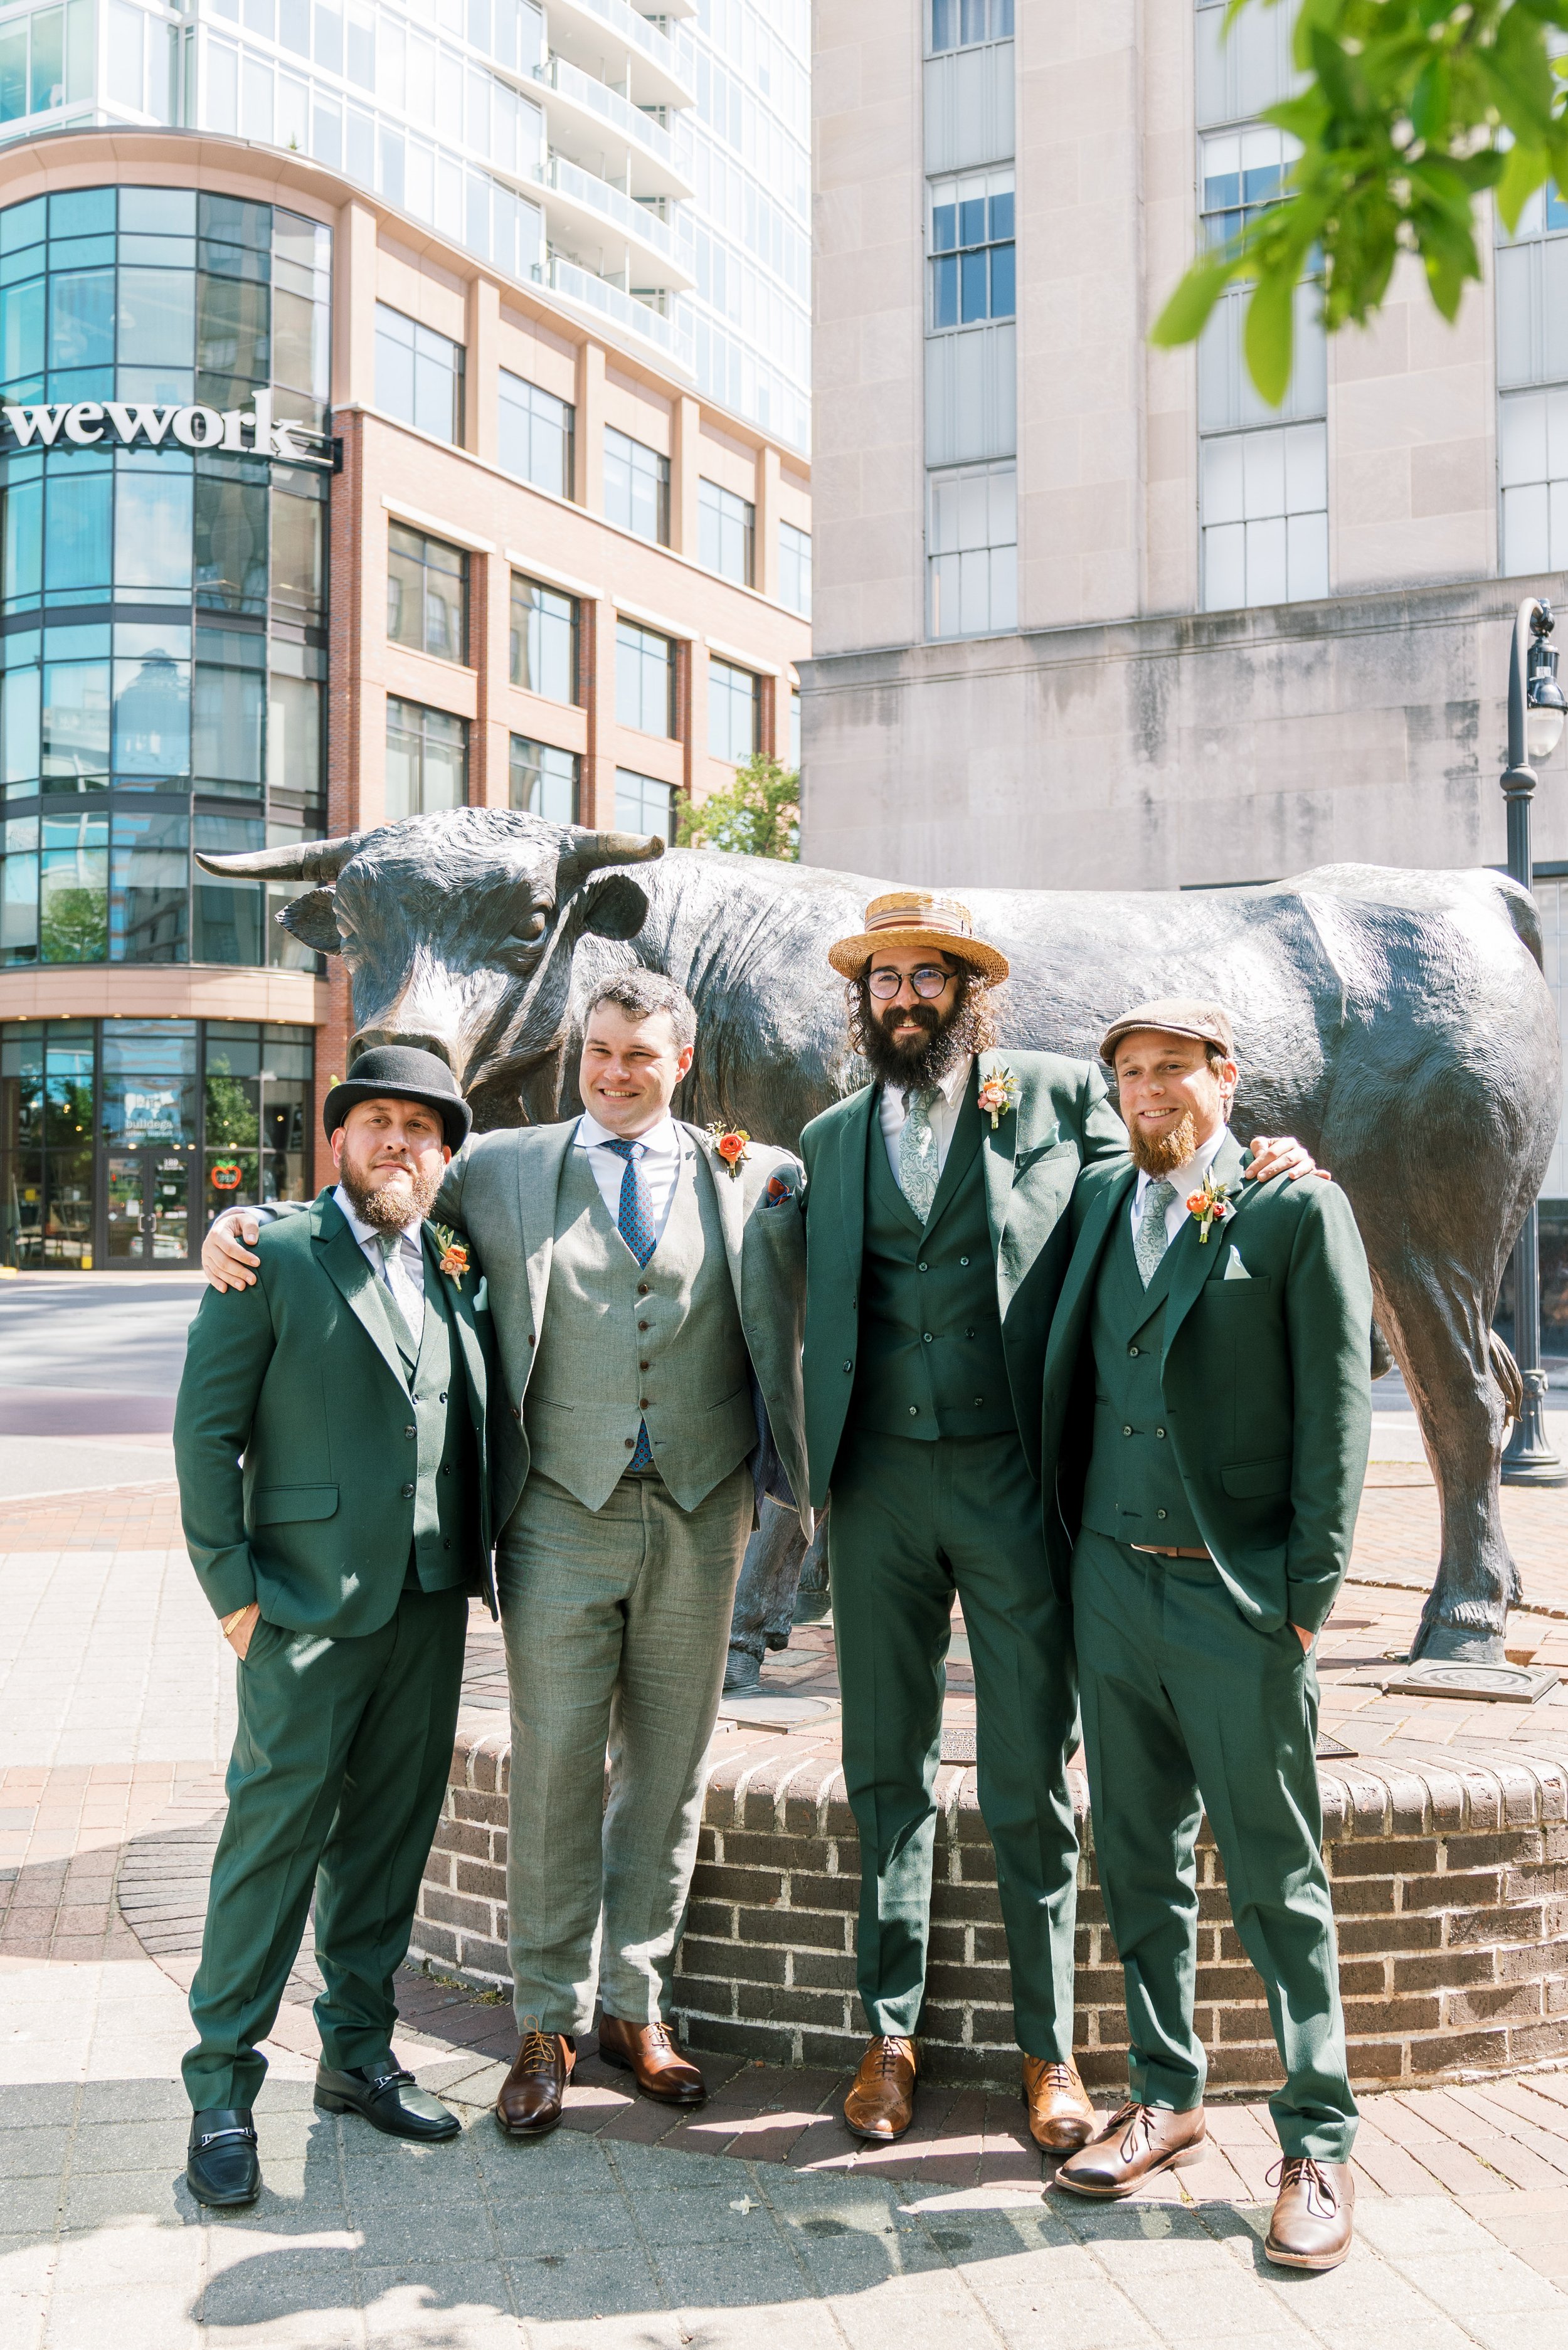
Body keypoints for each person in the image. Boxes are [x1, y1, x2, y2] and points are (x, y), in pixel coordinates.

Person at [203, 971, 808, 2137]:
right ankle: (547, 2019)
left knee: (671, 1770)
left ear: (683, 1062)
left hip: (701, 1508)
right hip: (555, 1515)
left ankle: (638, 2006)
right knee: (554, 1767)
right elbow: (378, 1203)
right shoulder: (501, 1168)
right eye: (599, 1050)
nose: (616, 1071)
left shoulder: (760, 1173)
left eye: (640, 1053)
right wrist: (243, 1226)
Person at [799, 894, 1315, 2151]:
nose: (904, 996)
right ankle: (889, 2030)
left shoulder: (1045, 1093)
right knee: (885, 1765)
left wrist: (1260, 1162)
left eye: (928, 976)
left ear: (966, 988)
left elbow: (1156, 1171)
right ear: (862, 999)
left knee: (1030, 1767)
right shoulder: (818, 1136)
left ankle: (1050, 2047)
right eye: (884, 980)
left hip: (1012, 1479)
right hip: (872, 1487)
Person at [1042, 1000, 1371, 2272]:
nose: (1145, 1092)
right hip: (1109, 1586)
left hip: (1236, 1597)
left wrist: (1304, 1593)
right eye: (1126, 1073)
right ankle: (1165, 2096)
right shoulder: (1092, 1199)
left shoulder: (1291, 1206)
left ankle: (1316, 2138)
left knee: (1274, 1875)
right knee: (1136, 1855)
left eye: (1169, 1069)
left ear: (1224, 1078)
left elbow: (1332, 1408)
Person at [174, 1045, 495, 2208]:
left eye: (420, 1127)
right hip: (301, 1611)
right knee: (273, 1844)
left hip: (427, 1605)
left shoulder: (456, 1266)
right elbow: (204, 1435)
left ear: (445, 1152)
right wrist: (234, 1595)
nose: (397, 1143)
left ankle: (357, 2057)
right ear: (339, 1140)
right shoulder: (274, 1253)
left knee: (389, 1841)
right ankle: (221, 2087)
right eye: (376, 1123)